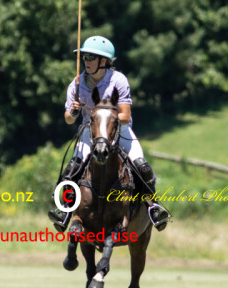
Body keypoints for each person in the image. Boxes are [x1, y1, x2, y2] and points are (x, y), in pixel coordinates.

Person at [48, 36, 169, 232]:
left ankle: (153, 207)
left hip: (118, 130)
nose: (86, 61)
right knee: (72, 168)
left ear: (104, 61)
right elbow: (68, 119)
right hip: (90, 132)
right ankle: (65, 211)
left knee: (142, 166)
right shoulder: (77, 83)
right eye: (84, 57)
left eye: (91, 57)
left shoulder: (118, 80)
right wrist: (74, 112)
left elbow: (125, 116)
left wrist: (102, 117)